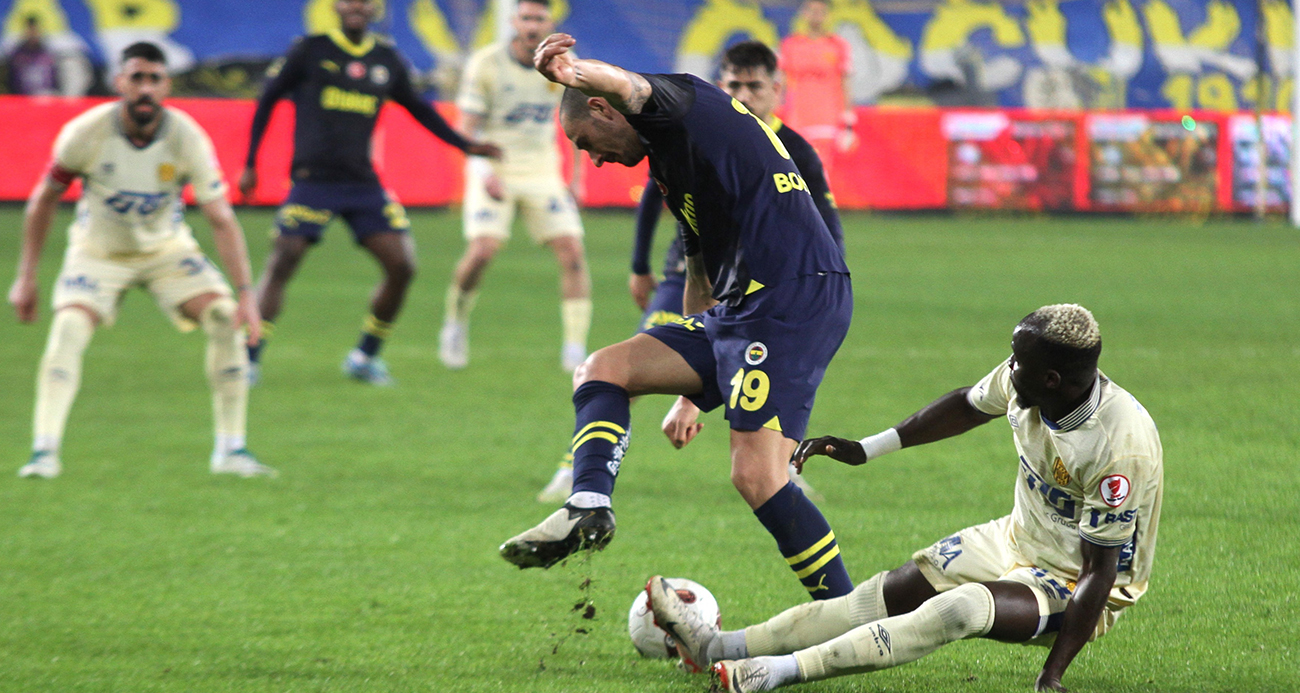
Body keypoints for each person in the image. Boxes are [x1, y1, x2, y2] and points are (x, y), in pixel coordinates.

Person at [499, 33, 855, 603]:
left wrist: (572, 70)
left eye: (585, 141)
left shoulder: (678, 103)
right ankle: (587, 507)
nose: (590, 157)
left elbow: (628, 85)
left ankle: (848, 614)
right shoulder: (672, 161)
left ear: (599, 107)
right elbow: (699, 277)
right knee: (603, 369)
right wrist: (691, 394)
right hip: (741, 309)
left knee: (757, 475)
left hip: (792, 298)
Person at [647, 304, 1163, 693]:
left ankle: (774, 674)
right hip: (1017, 535)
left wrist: (1052, 675)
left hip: (1076, 580)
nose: (1008, 368)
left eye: (1018, 361)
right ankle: (715, 647)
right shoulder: (1028, 382)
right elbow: (966, 405)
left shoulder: (1118, 446)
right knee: (880, 596)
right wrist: (866, 449)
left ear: (1052, 379)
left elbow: (1099, 571)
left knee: (961, 609)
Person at [7, 42, 274, 479]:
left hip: (165, 251)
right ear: (119, 83)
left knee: (226, 317)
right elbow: (42, 201)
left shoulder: (186, 137)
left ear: (166, 85)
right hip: (99, 252)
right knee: (69, 327)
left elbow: (221, 218)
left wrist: (246, 294)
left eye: (154, 79)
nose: (145, 88)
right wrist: (26, 277)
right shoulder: (86, 132)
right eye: (136, 78)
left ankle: (231, 450)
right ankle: (44, 452)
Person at [239, 0, 499, 385]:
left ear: (375, 9)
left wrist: (466, 145)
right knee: (284, 258)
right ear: (336, 7)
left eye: (365, 1)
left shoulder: (386, 59)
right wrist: (250, 163)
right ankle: (248, 358)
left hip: (362, 183)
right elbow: (268, 98)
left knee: (402, 266)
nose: (357, 6)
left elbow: (419, 109)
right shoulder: (309, 50)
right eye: (349, 0)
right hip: (314, 181)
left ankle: (365, 356)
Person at [439, 0, 590, 373]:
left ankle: (574, 347)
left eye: (539, 18)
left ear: (549, 23)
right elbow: (466, 129)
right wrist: (480, 171)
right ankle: (455, 322)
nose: (532, 25)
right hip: (495, 164)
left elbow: (579, 123)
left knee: (572, 252)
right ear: (513, 22)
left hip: (542, 170)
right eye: (526, 17)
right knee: (483, 252)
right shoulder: (486, 64)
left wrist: (576, 179)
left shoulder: (561, 65)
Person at [778, 0, 855, 168]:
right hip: (797, 117)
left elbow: (844, 83)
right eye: (811, 11)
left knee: (821, 167)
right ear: (804, 14)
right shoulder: (790, 45)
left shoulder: (837, 45)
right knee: (796, 167)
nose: (816, 15)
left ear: (827, 15)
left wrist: (848, 123)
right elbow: (782, 83)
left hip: (827, 117)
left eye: (820, 11)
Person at [5, 15, 59, 96]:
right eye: (29, 30)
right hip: (21, 97)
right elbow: (9, 79)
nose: (32, 33)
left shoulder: (49, 52)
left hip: (46, 97)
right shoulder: (17, 54)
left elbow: (57, 77)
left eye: (35, 30)